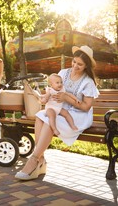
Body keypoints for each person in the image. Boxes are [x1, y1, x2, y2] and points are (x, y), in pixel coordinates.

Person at [15, 45, 99, 181]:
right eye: (74, 62)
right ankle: (41, 160)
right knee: (40, 116)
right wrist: (46, 96)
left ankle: (34, 160)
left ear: (86, 66)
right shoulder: (63, 73)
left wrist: (66, 98)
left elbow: (86, 107)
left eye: (80, 64)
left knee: (49, 121)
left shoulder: (88, 82)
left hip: (78, 116)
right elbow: (53, 88)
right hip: (60, 110)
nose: (75, 66)